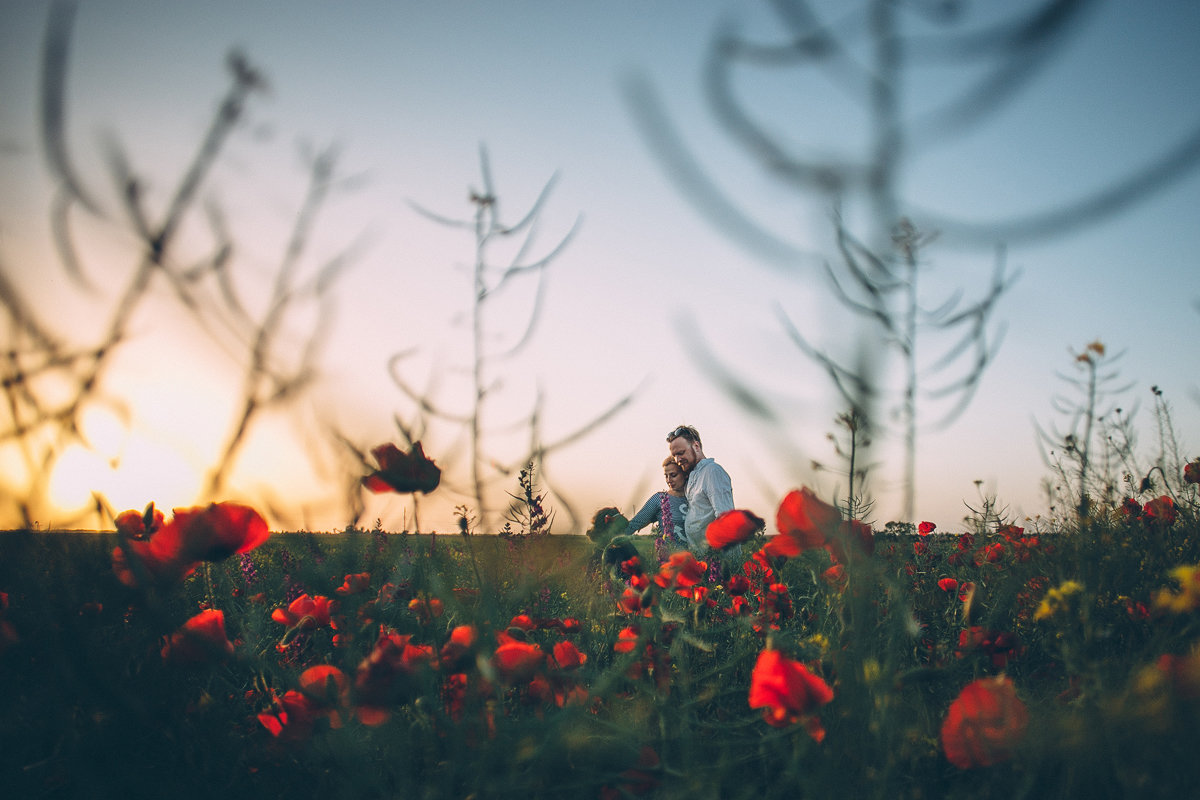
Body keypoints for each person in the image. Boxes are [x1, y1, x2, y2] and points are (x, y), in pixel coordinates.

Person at [666, 424, 734, 553]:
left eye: (681, 453)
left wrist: (715, 559)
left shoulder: (713, 471)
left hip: (717, 559)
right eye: (674, 455)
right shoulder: (693, 475)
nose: (677, 459)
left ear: (696, 446)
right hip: (701, 558)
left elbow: (725, 518)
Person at [624, 457, 689, 563]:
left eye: (673, 475)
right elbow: (633, 525)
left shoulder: (696, 499)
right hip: (670, 564)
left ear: (685, 474)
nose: (668, 480)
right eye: (666, 476)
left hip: (694, 563)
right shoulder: (659, 499)